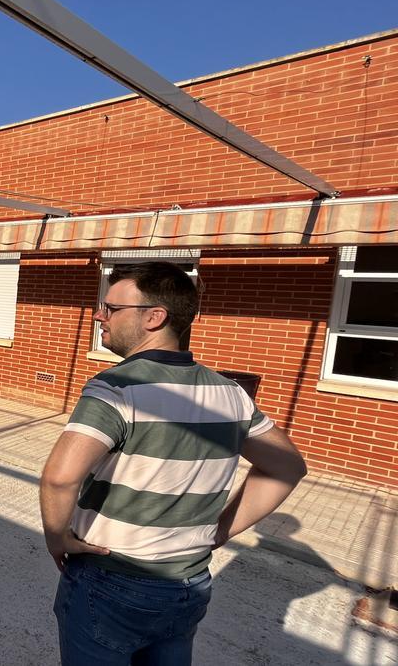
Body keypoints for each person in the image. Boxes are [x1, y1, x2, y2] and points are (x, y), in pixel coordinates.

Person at [40, 261, 308, 665]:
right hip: (188, 585)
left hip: (111, 581)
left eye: (110, 308)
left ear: (154, 317)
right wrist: (218, 533)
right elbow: (288, 468)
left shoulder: (117, 387)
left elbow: (60, 480)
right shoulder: (231, 393)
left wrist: (56, 539)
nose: (99, 315)